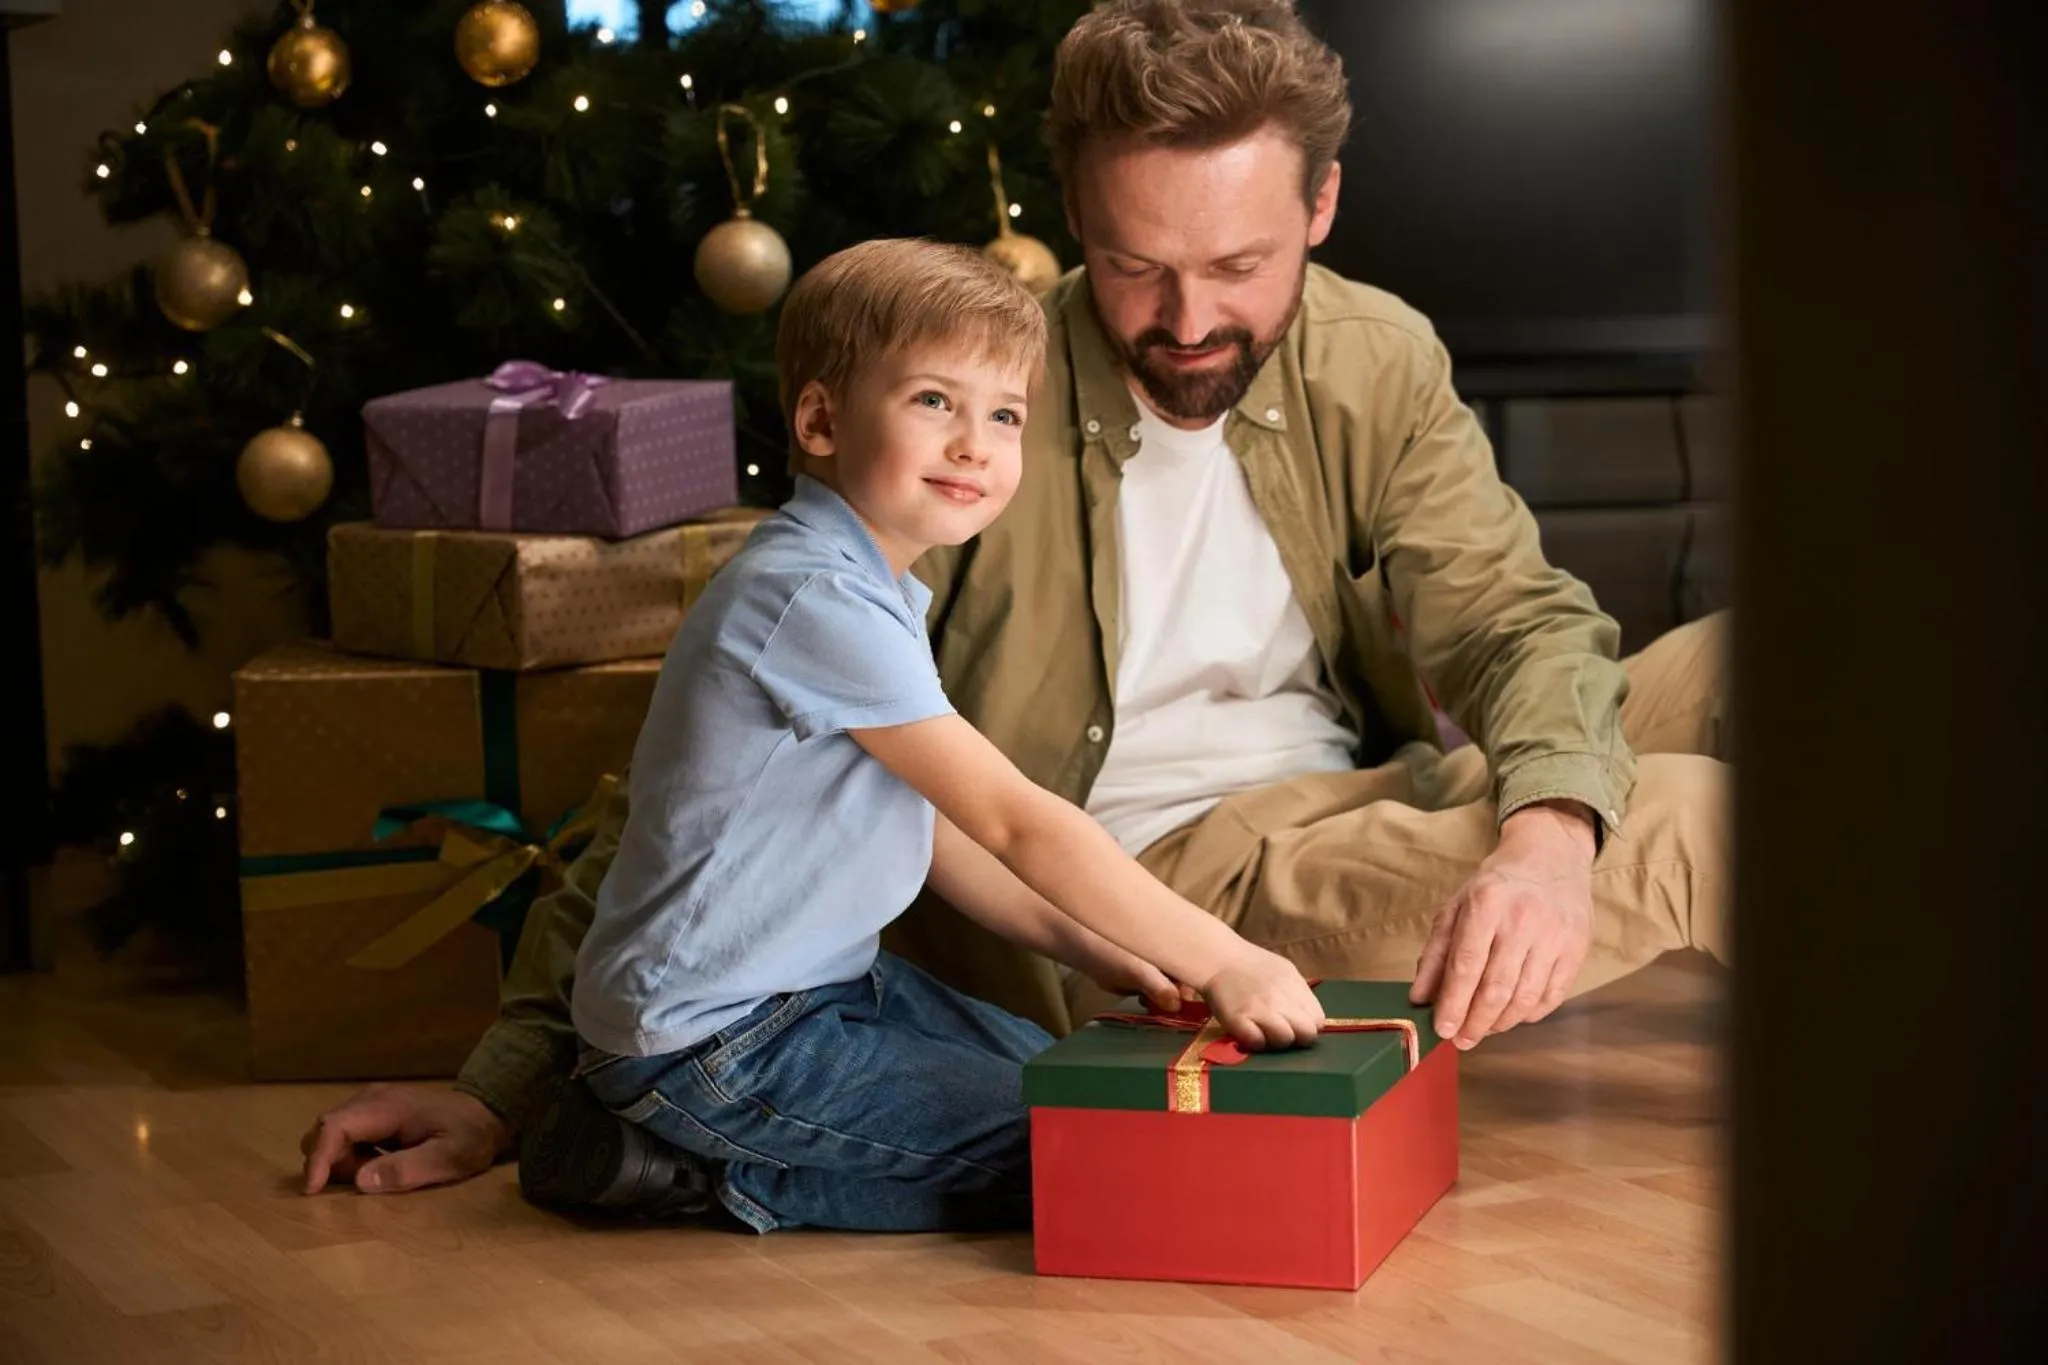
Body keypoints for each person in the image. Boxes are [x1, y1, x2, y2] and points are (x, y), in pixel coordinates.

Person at [301, 0, 1728, 1204]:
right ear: (1074, 216)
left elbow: (1512, 618)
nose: (1184, 322)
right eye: (1131, 265)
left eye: (1239, 267)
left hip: (1356, 796)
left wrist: (1546, 841)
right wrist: (504, 1084)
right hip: (1157, 896)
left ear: (1322, 203)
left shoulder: (1374, 355)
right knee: (1696, 823)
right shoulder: (966, 418)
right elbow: (701, 778)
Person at [505, 237, 1326, 1231]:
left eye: (1004, 414)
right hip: (708, 1042)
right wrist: (1219, 957)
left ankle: (688, 1151)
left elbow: (933, 834)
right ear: (819, 420)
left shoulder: (875, 585)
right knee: (1086, 1141)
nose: (975, 443)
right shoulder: (808, 590)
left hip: (820, 992)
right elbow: (1014, 822)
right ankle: (683, 1168)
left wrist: (1092, 945)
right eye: (934, 402)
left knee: (1055, 1071)